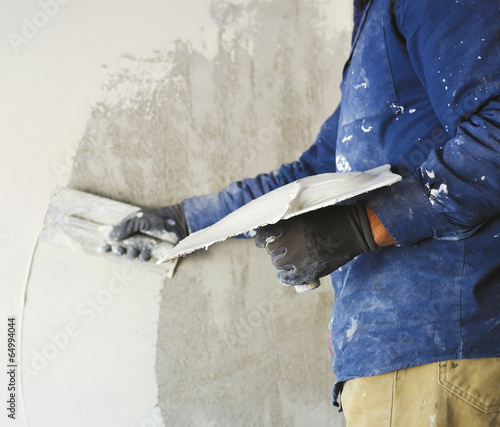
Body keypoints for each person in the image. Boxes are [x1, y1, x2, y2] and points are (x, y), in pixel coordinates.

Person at [107, 0, 500, 424]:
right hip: (408, 365)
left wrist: (357, 228)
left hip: (439, 351)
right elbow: (312, 173)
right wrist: (188, 222)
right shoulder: (375, 25)